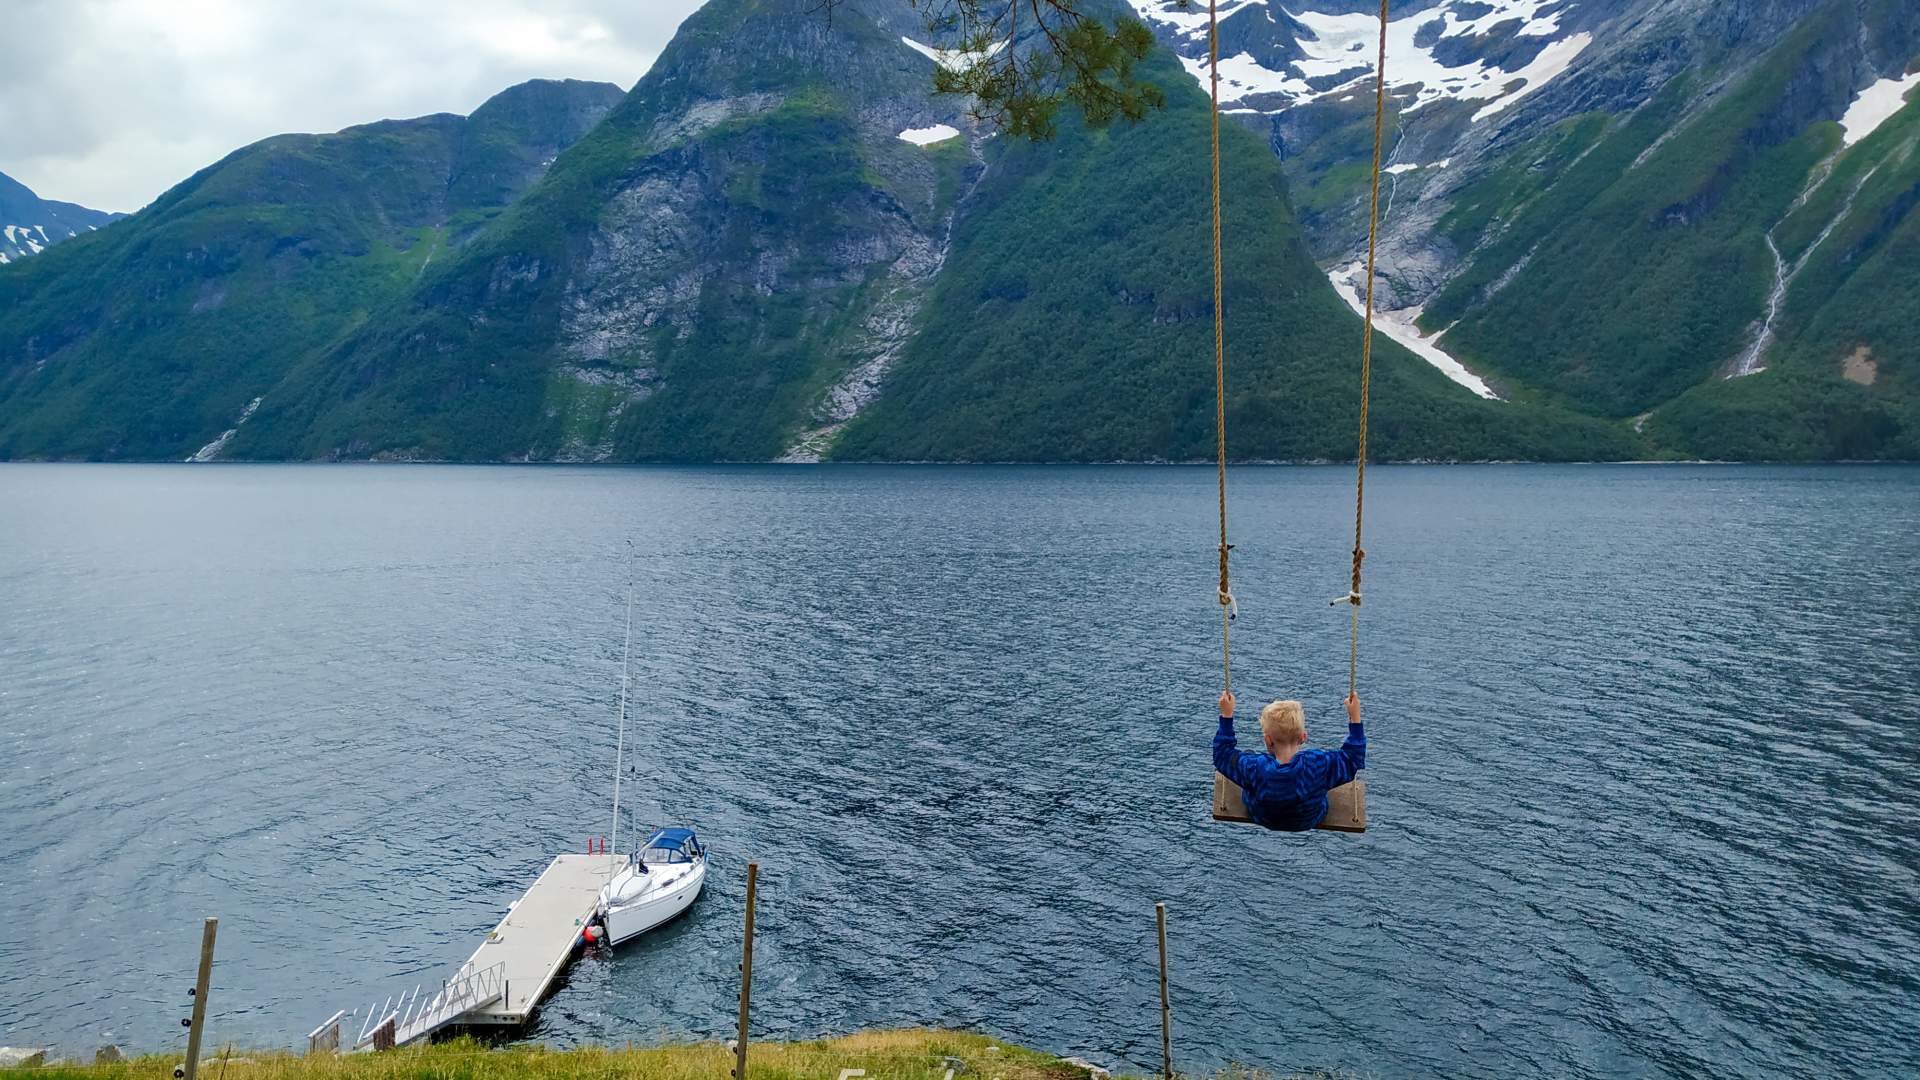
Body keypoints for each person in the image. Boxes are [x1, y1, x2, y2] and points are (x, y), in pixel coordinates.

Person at [1214, 689, 1366, 831]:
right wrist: (1355, 716)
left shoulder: (1254, 767)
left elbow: (1223, 755)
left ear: (1268, 740)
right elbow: (1353, 757)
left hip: (1263, 817)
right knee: (1322, 781)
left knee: (1245, 759)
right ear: (1303, 737)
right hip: (1308, 820)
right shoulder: (1318, 764)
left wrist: (1227, 715)